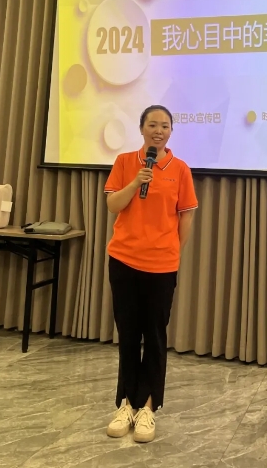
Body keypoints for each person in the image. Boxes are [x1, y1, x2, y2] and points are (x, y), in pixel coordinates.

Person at [104, 105, 198, 443]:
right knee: (128, 335)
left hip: (161, 265)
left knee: (155, 338)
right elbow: (113, 205)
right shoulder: (126, 162)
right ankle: (126, 404)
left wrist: (171, 250)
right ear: (142, 128)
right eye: (153, 125)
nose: (159, 130)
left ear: (171, 131)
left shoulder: (180, 169)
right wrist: (136, 182)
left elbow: (186, 217)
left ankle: (147, 407)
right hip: (124, 260)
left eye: (165, 126)